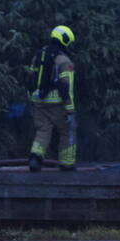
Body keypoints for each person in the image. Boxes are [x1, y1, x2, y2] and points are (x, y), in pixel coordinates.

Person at [28, 25, 77, 172]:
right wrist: (70, 109)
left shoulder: (39, 55)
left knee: (43, 130)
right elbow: (66, 86)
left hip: (38, 100)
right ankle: (67, 163)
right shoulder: (64, 60)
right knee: (67, 130)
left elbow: (30, 78)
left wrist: (31, 97)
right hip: (56, 103)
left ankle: (35, 158)